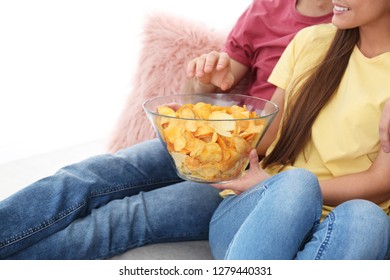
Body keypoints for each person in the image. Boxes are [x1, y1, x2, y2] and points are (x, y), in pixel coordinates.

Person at [0, 0, 336, 260]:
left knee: (120, 219)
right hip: (203, 140)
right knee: (86, 175)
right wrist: (201, 78)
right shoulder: (267, 9)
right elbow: (213, 87)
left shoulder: (352, 26)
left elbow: (281, 132)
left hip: (256, 171)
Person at [203, 1, 390, 259]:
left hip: (340, 226)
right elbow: (268, 134)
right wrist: (202, 135)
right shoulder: (310, 41)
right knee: (298, 185)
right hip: (262, 211)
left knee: (369, 218)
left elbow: (382, 181)